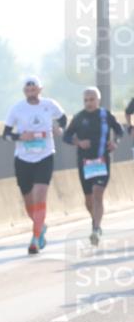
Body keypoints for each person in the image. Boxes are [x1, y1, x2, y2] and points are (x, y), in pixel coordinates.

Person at [2, 77, 66, 255]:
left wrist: (59, 129)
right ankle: (41, 226)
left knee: (40, 195)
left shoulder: (49, 105)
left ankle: (35, 239)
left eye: (34, 87)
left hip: (45, 155)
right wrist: (20, 137)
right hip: (23, 158)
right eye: (27, 88)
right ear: (24, 91)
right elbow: (5, 134)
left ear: (40, 89)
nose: (31, 90)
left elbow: (63, 119)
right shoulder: (17, 109)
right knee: (29, 200)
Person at [63, 87, 124, 246]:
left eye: (92, 99)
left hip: (102, 161)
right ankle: (95, 220)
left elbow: (119, 130)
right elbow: (66, 136)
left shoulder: (106, 115)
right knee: (89, 200)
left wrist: (115, 142)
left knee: (98, 194)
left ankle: (95, 229)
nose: (89, 103)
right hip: (85, 162)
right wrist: (78, 142)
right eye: (86, 100)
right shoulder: (79, 117)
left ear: (98, 100)